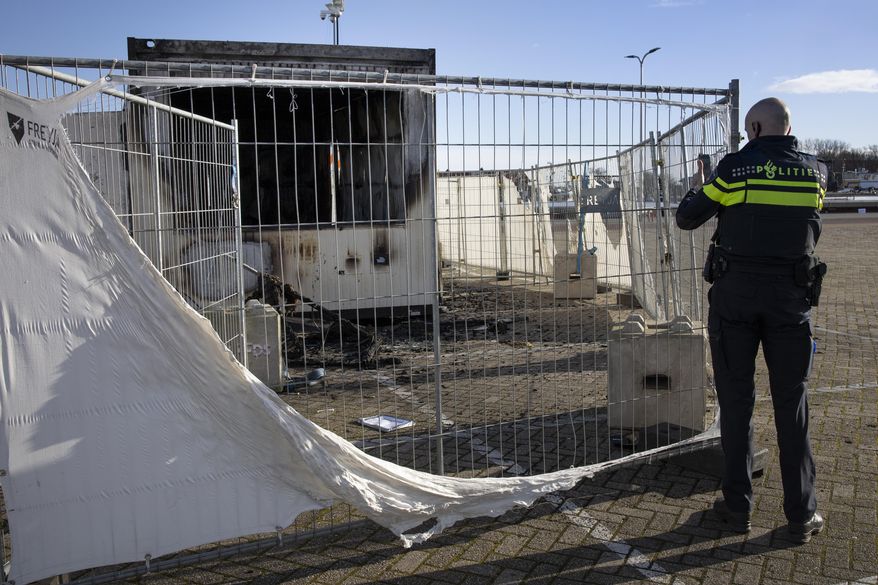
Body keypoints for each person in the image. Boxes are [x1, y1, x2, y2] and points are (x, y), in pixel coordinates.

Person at [676, 97, 828, 544]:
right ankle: (802, 514)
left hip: (736, 299)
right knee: (792, 405)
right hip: (791, 301)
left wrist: (699, 184)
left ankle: (737, 508)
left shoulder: (735, 168)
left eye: (747, 132)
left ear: (757, 130)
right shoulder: (817, 172)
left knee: (737, 403)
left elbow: (688, 217)